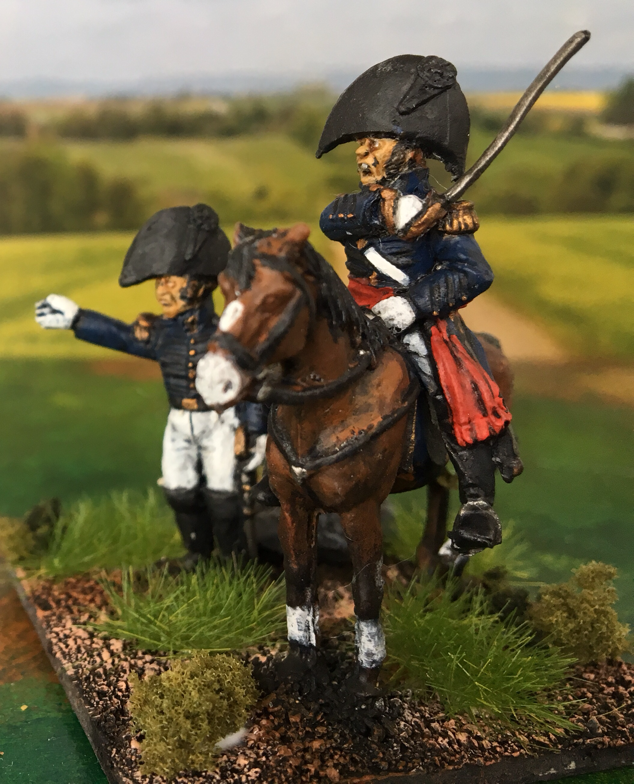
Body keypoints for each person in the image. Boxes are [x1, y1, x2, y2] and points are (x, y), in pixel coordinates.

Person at [316, 55, 523, 555]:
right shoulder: (361, 205)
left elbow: (474, 273)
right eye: (361, 143)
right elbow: (330, 219)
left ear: (409, 151)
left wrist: (411, 306)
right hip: (356, 309)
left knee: (453, 386)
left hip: (415, 318)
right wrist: (388, 211)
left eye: (375, 142)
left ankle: (476, 503)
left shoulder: (446, 217)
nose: (362, 152)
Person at [35, 204, 266, 568]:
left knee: (224, 498)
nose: (162, 291)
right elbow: (123, 337)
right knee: (179, 491)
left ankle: (236, 564)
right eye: (160, 282)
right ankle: (197, 555)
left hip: (220, 422)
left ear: (200, 283)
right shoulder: (160, 332)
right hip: (179, 422)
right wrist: (79, 319)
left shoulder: (227, 334)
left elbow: (253, 381)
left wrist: (254, 430)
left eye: (170, 281)